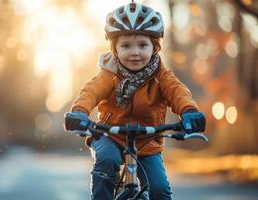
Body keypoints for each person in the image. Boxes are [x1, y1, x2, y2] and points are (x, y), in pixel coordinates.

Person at [64, 1, 206, 200]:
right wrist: (80, 111)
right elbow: (91, 91)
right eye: (126, 45)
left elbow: (177, 92)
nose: (135, 52)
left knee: (160, 190)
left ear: (155, 47)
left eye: (142, 45)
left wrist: (189, 111)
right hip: (110, 135)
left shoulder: (162, 76)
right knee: (106, 160)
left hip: (147, 140)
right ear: (115, 49)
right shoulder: (109, 74)